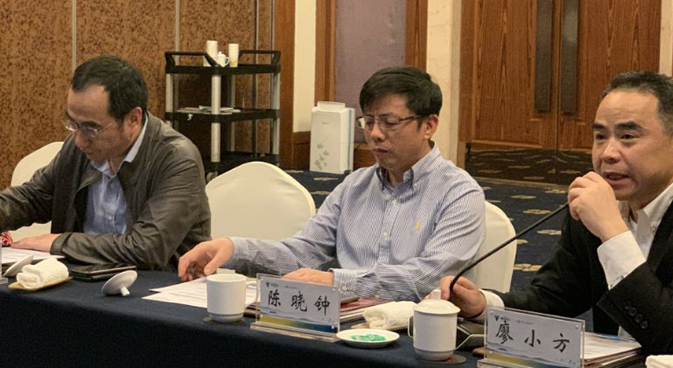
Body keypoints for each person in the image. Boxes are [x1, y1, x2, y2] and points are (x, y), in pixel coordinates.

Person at [439, 71, 673, 354]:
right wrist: (484, 305)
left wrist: (613, 233)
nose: (607, 153)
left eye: (627, 137)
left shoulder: (606, 212)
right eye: (600, 137)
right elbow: (555, 296)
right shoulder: (595, 202)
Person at [179, 66, 485, 301]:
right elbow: (304, 252)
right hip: (340, 323)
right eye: (369, 121)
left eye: (390, 123)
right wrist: (235, 248)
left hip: (414, 334)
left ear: (428, 126)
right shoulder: (355, 186)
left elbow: (428, 278)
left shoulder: (459, 194)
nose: (375, 134)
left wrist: (337, 282)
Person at [0, 55, 211, 270]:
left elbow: (146, 248)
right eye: (73, 123)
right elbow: (33, 198)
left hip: (156, 285)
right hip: (83, 278)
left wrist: (61, 243)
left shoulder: (177, 159)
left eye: (91, 128)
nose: (79, 140)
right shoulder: (77, 149)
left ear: (133, 119)